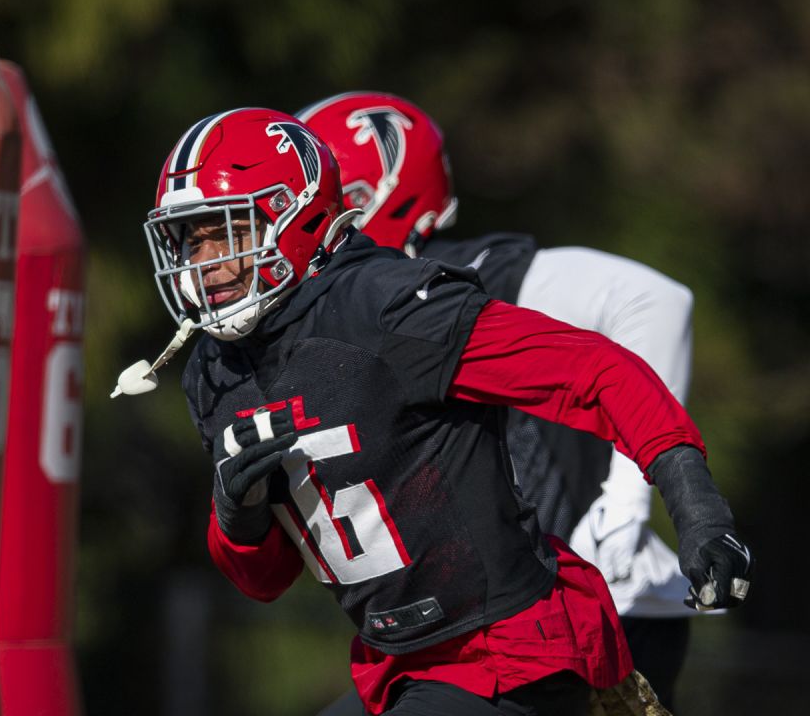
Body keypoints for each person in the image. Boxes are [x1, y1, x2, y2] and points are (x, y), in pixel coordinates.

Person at [116, 107, 752, 715]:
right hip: (397, 669)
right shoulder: (214, 372)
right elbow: (267, 579)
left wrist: (695, 507)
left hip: (513, 653)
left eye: (224, 233)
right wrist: (237, 521)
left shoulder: (388, 308)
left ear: (294, 216)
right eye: (188, 241)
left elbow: (595, 370)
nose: (205, 264)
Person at [298, 92, 709, 711]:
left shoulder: (465, 278)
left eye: (329, 205)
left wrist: (625, 505)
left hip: (601, 605)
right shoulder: (338, 327)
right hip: (488, 634)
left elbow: (658, 301)